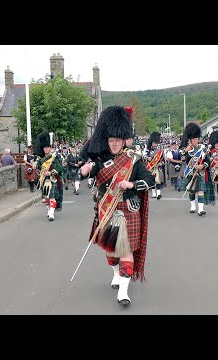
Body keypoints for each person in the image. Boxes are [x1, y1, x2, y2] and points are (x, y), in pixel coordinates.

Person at [79, 105, 155, 306]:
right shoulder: (100, 160)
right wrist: (86, 170)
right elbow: (91, 170)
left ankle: (123, 291)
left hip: (128, 210)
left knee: (126, 250)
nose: (114, 144)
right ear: (107, 140)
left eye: (117, 141)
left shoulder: (134, 160)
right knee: (111, 251)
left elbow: (151, 180)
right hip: (107, 209)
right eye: (111, 141)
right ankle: (116, 273)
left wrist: (131, 184)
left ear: (123, 141)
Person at [180, 122, 215, 216]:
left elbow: (207, 161)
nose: (195, 140)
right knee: (191, 191)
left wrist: (203, 166)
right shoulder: (187, 150)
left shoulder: (203, 149)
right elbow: (182, 157)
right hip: (191, 173)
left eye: (196, 139)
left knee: (201, 190)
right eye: (193, 139)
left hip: (200, 173)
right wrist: (186, 151)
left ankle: (201, 209)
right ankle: (192, 206)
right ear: (190, 140)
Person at [34, 132, 64, 221]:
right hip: (44, 179)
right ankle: (49, 209)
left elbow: (59, 168)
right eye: (44, 148)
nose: (46, 149)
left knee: (52, 196)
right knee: (46, 198)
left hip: (53, 179)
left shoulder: (55, 157)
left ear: (50, 148)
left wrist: (50, 173)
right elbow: (38, 166)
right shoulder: (40, 158)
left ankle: (51, 213)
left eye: (47, 148)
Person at [144, 131, 166, 199]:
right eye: (154, 143)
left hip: (158, 167)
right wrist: (148, 158)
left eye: (156, 143)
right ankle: (154, 193)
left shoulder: (160, 150)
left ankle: (159, 194)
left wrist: (161, 163)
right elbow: (144, 157)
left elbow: (163, 160)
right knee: (152, 180)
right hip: (150, 167)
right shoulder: (147, 149)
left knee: (158, 180)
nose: (155, 144)